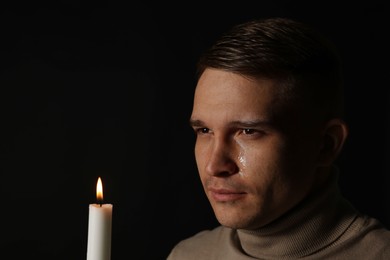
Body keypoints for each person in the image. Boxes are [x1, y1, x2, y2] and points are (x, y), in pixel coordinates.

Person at [167, 17, 390, 259]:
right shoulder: (187, 255)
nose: (215, 165)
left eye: (249, 131)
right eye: (204, 131)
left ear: (326, 144)